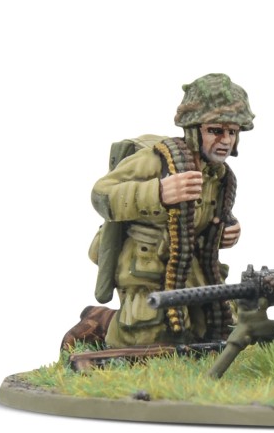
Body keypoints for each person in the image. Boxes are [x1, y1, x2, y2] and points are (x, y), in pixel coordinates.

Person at [61, 73, 255, 350]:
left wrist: (226, 230)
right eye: (215, 131)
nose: (225, 140)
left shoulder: (218, 175)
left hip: (193, 267)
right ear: (193, 129)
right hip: (146, 266)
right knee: (147, 338)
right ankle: (101, 321)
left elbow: (206, 216)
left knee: (216, 326)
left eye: (232, 132)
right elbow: (101, 194)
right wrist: (158, 192)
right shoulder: (155, 160)